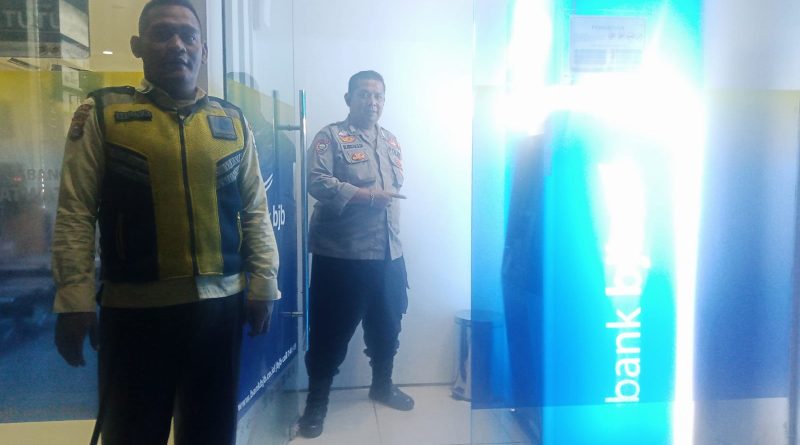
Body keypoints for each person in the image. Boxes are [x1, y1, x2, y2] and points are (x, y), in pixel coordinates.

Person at [51, 1, 280, 444]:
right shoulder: (105, 113)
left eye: (188, 35)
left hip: (219, 311)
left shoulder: (231, 120)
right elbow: (75, 211)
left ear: (203, 49)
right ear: (138, 46)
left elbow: (255, 209)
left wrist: (264, 284)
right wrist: (74, 297)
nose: (177, 45)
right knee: (132, 434)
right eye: (162, 34)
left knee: (211, 434)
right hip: (135, 313)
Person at [298, 70, 412, 439]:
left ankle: (382, 385)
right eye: (364, 94)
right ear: (348, 99)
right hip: (342, 256)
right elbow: (316, 181)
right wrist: (365, 196)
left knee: (388, 324)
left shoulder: (391, 141)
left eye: (378, 95)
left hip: (389, 253)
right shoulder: (330, 136)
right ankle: (316, 403)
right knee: (329, 333)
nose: (372, 101)